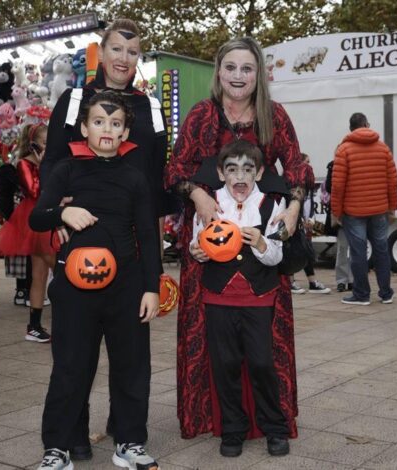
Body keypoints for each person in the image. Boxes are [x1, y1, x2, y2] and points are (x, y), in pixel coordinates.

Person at [164, 36, 314, 440]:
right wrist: (197, 195)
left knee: (266, 343)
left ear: (258, 75)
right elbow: (175, 169)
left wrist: (294, 208)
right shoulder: (200, 116)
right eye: (230, 67)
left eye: (246, 68)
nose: (238, 76)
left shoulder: (274, 115)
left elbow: (297, 164)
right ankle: (216, 420)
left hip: (261, 241)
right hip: (209, 248)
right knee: (210, 339)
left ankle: (271, 421)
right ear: (219, 72)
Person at [40, 18, 171, 460]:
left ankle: (126, 433)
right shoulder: (75, 98)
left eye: (133, 53)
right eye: (117, 49)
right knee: (75, 356)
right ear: (103, 51)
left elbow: (155, 175)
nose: (124, 59)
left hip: (129, 240)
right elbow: (53, 164)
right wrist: (57, 212)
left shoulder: (148, 106)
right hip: (79, 237)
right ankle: (68, 438)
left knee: (131, 356)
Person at [189, 140, 290, 457]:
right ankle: (233, 430)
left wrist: (261, 243)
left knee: (261, 364)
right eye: (232, 170)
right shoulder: (210, 206)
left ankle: (274, 427)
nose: (240, 177)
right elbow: (199, 245)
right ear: (221, 173)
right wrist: (198, 252)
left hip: (257, 298)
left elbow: (276, 259)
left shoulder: (271, 207)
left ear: (259, 172)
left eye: (248, 169)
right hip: (218, 297)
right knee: (226, 365)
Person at [0, 123, 54, 343]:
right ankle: (38, 325)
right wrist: (46, 163)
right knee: (55, 272)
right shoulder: (24, 164)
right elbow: (35, 190)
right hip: (36, 219)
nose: (49, 146)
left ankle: (35, 326)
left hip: (51, 217)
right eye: (45, 142)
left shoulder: (52, 161)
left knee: (42, 274)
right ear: (34, 143)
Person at [330, 112, 397, 305]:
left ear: (350, 128)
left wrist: (337, 212)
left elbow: (338, 185)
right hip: (379, 210)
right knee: (381, 251)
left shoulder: (344, 150)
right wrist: (392, 206)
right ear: (367, 124)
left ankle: (361, 295)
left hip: (354, 212)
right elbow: (392, 180)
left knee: (358, 252)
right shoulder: (383, 148)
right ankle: (386, 293)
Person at [290, 153, 330, 295]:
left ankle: (312, 282)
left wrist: (311, 220)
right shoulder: (293, 187)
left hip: (305, 228)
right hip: (293, 227)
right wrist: (300, 221)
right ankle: (291, 282)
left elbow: (310, 208)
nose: (309, 166)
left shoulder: (308, 189)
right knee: (292, 252)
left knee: (306, 252)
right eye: (306, 163)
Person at [324, 160, 354, 293]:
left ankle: (353, 279)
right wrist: (332, 168)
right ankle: (342, 280)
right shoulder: (334, 166)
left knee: (354, 249)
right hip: (343, 214)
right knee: (343, 248)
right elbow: (330, 187)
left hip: (354, 212)